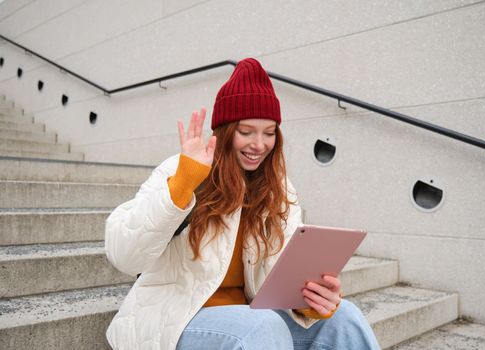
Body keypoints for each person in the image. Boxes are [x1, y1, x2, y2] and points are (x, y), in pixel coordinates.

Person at [105, 58, 380, 349]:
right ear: (224, 132)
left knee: (344, 318)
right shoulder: (181, 171)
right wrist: (183, 186)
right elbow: (124, 255)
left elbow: (280, 272)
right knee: (261, 326)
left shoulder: (278, 188)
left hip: (252, 321)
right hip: (177, 320)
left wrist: (309, 301)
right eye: (246, 132)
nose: (259, 144)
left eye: (269, 133)